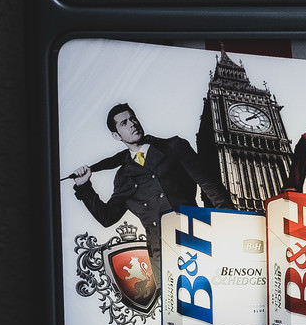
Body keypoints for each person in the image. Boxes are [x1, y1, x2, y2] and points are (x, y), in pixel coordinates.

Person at [71, 103, 232, 256]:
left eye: (133, 118)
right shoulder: (123, 177)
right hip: (161, 255)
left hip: (197, 238)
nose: (132, 124)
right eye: (124, 123)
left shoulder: (174, 146)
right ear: (116, 135)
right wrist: (84, 186)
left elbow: (210, 185)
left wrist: (231, 224)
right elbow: (107, 218)